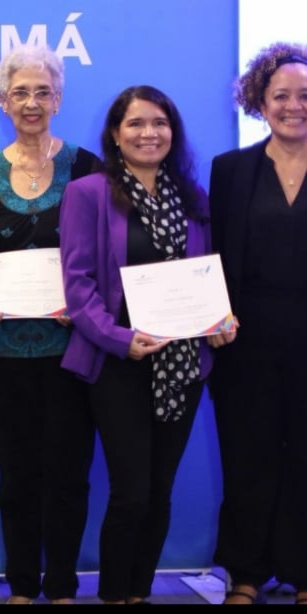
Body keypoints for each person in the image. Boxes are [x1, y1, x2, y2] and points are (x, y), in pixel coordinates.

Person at [58, 85, 236, 604]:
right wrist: (120, 339)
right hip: (120, 364)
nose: (148, 133)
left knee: (159, 495)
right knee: (131, 493)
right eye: (135, 124)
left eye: (159, 123)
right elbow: (79, 284)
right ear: (116, 134)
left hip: (184, 364)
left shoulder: (192, 196)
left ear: (172, 132)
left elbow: (205, 277)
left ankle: (139, 593)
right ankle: (115, 594)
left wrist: (219, 320)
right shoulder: (88, 192)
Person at [0, 44, 100, 604]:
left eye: (42, 91)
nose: (31, 102)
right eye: (19, 92)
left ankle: (64, 585)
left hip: (74, 350)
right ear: (2, 101)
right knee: (17, 477)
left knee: (68, 475)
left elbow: (107, 259)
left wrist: (86, 300)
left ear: (59, 98)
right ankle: (23, 585)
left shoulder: (88, 169)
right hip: (2, 351)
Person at [208, 42, 307, 606]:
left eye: (304, 96)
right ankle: (245, 572)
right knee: (248, 454)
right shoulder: (232, 170)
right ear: (259, 101)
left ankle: (303, 572)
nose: (294, 106)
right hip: (246, 338)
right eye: (281, 95)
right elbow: (214, 256)